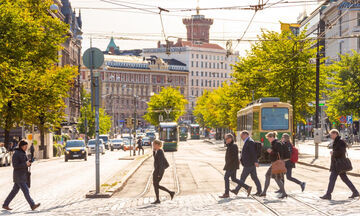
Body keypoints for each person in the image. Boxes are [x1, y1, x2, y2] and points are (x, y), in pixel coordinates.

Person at [320, 129, 359, 200]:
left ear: (335, 134)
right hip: (337, 164)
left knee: (332, 179)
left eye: (331, 134)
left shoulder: (340, 141)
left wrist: (333, 153)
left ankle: (328, 194)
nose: (331, 136)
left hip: (338, 164)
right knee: (345, 179)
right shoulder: (337, 141)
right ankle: (355, 192)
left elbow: (342, 151)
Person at [2, 140, 40, 211]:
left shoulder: (22, 152)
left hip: (22, 176)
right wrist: (25, 164)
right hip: (19, 176)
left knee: (14, 192)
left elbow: (23, 162)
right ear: (21, 146)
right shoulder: (16, 153)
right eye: (25, 146)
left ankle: (5, 204)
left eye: (27, 146)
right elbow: (15, 165)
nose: (26, 148)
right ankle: (32, 205)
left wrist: (28, 163)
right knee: (26, 191)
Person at [219, 133, 252, 198]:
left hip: (231, 165)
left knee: (226, 177)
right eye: (225, 139)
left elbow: (234, 157)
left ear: (231, 139)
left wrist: (230, 165)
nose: (226, 140)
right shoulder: (230, 145)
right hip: (231, 165)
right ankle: (247, 187)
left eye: (227, 138)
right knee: (234, 179)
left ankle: (226, 193)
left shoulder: (233, 146)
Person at [260, 131, 287, 199]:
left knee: (271, 177)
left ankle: (283, 193)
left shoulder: (277, 143)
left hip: (276, 163)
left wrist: (271, 152)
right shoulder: (274, 143)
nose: (268, 139)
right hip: (275, 163)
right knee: (275, 178)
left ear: (272, 137)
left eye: (268, 138)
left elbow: (280, 153)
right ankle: (264, 192)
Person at [239, 131, 262, 196]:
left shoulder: (250, 141)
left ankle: (236, 189)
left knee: (242, 177)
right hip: (249, 163)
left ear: (246, 135)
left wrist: (256, 161)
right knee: (254, 177)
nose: (241, 137)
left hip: (249, 163)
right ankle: (259, 191)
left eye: (242, 136)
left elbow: (253, 153)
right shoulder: (248, 141)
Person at [152, 139, 175, 204]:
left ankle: (160, 198)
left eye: (154, 144)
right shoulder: (157, 151)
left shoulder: (160, 152)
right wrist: (154, 152)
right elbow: (156, 160)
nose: (153, 145)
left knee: (155, 184)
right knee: (155, 185)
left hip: (158, 171)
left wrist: (159, 173)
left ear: (158, 145)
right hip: (156, 171)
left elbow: (161, 163)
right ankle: (169, 193)